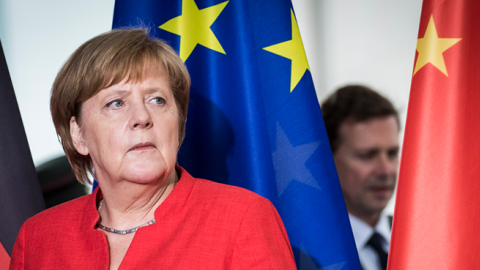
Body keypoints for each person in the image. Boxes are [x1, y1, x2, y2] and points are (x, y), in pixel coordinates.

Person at [9, 29, 296, 270]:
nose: (142, 117)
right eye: (116, 103)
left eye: (157, 100)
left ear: (179, 123)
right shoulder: (38, 237)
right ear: (79, 135)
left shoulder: (242, 219)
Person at [321, 85, 399, 270]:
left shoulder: (426, 240)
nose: (385, 170)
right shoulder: (305, 253)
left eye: (392, 153)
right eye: (367, 155)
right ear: (327, 160)